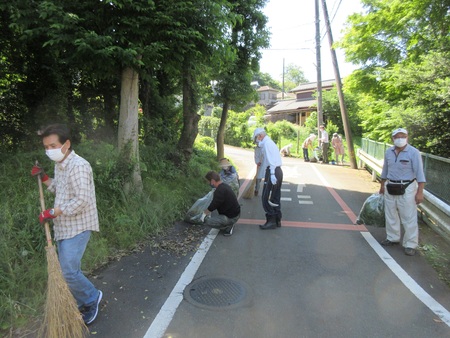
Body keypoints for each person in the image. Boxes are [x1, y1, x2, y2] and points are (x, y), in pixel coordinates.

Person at [30, 124, 102, 325]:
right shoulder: (60, 164)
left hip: (78, 226)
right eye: (46, 147)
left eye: (52, 145)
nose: (48, 150)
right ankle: (84, 298)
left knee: (69, 271)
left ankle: (91, 298)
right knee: (67, 270)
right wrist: (44, 178)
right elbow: (60, 191)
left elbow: (82, 200)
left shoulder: (78, 166)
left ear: (66, 144)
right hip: (63, 227)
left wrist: (52, 212)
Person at [379, 128, 426, 256]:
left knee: (408, 216)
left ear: (407, 137)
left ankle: (410, 244)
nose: (400, 139)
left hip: (407, 187)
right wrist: (382, 185)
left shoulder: (413, 153)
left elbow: (420, 174)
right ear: (392, 139)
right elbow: (385, 169)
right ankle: (392, 238)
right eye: (397, 136)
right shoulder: (389, 151)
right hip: (390, 185)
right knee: (390, 213)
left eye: (403, 136)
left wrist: (420, 192)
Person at [253, 127, 283, 230]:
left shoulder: (267, 144)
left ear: (260, 136)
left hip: (272, 171)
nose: (257, 140)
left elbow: (271, 160)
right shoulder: (269, 143)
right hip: (276, 171)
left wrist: (272, 174)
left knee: (266, 198)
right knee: (275, 197)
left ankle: (271, 221)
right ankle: (277, 219)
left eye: (257, 138)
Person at [199, 171, 241, 236]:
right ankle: (228, 223)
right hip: (235, 213)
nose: (208, 183)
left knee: (208, 221)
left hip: (232, 217)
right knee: (213, 217)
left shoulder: (220, 191)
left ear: (212, 181)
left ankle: (228, 226)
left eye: (208, 181)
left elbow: (214, 204)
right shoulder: (224, 186)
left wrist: (204, 214)